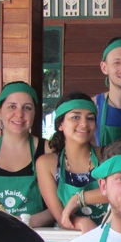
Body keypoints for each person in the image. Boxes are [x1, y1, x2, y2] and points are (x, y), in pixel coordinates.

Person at [0, 81, 53, 226]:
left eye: (27, 108)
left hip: (36, 234)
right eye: (12, 106)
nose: (19, 114)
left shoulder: (47, 150)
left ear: (34, 113)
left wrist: (27, 222)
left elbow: (60, 204)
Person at [36, 93, 106, 233]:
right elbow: (61, 217)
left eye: (90, 118)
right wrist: (82, 222)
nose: (84, 123)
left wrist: (79, 198)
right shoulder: (46, 164)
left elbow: (120, 193)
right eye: (75, 117)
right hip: (67, 240)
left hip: (108, 236)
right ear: (60, 124)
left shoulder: (108, 156)